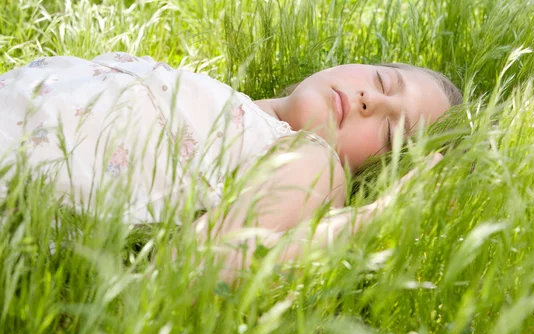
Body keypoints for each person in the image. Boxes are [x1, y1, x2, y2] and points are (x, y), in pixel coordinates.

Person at [0, 52, 461, 274]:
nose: (370, 100)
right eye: (383, 80)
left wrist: (379, 216)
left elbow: (193, 268)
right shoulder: (236, 109)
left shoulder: (315, 162)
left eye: (388, 133)